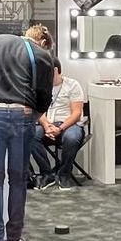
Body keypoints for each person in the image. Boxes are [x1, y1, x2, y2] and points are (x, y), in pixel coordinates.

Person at [0, 23, 54, 241]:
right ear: (43, 41)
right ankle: (14, 238)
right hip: (23, 116)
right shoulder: (43, 55)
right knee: (18, 180)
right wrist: (36, 115)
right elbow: (44, 96)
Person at [31, 60, 87, 190]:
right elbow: (38, 110)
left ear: (55, 70)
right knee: (30, 135)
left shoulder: (72, 85)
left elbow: (77, 113)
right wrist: (46, 126)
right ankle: (47, 173)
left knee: (72, 138)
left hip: (68, 124)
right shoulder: (41, 87)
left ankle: (64, 174)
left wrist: (60, 128)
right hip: (47, 123)